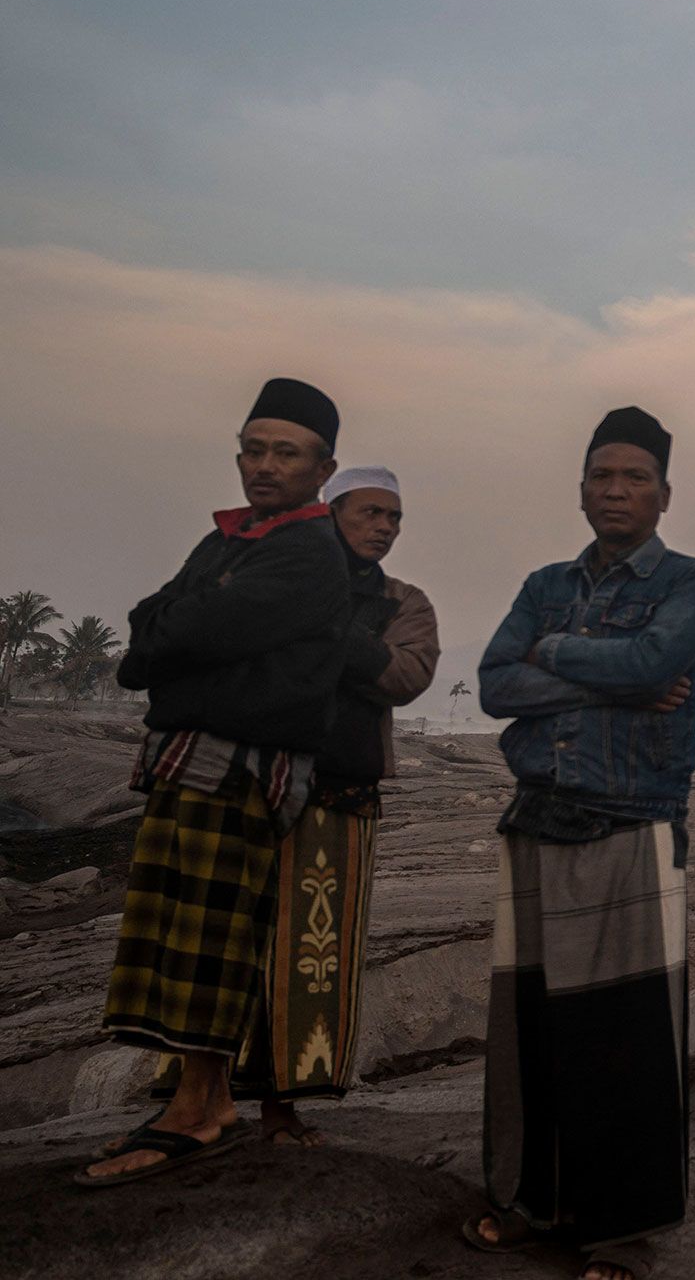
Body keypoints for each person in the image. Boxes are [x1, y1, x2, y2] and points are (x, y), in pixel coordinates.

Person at [468, 407, 695, 1280]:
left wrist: (558, 654)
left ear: (664, 493)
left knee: (626, 1033)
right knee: (534, 1024)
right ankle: (536, 1199)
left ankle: (622, 1227)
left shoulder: (694, 579)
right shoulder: (546, 581)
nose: (616, 490)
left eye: (635, 477)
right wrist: (608, 668)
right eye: (601, 476)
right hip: (537, 817)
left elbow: (658, 663)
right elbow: (494, 684)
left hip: (630, 816)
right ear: (581, 488)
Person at [79, 379, 351, 1188]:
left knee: (208, 939)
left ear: (322, 466)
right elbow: (146, 629)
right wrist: (181, 643)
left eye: (286, 452)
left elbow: (189, 632)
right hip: (193, 766)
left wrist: (181, 650)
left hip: (237, 776)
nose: (264, 466)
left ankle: (202, 1106)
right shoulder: (227, 542)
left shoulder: (306, 550)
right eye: (253, 448)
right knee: (177, 935)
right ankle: (202, 1095)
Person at [230, 465, 438, 1144]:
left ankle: (284, 1105)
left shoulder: (405, 600)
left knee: (313, 951)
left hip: (339, 793)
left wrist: (323, 630)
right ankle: (199, 1097)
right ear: (331, 509)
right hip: (251, 781)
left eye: (394, 517)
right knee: (234, 941)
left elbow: (406, 674)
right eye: (371, 512)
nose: (384, 527)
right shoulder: (281, 573)